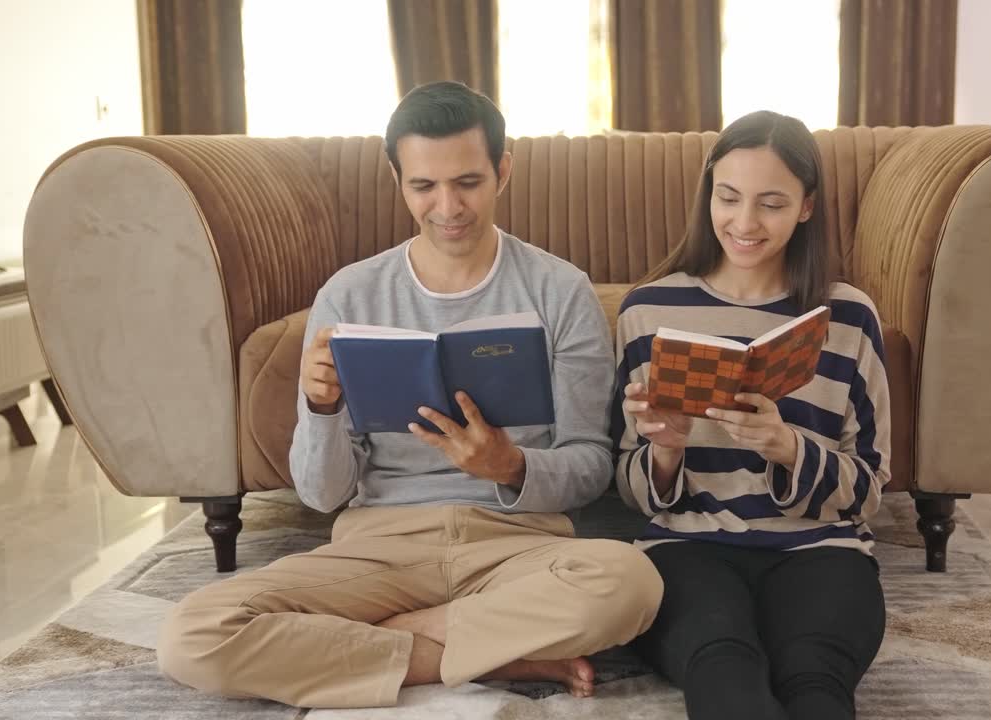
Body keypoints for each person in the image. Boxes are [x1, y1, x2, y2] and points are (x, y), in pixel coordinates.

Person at [156, 81, 662, 709]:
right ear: (397, 180)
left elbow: (590, 466)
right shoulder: (349, 295)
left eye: (468, 182)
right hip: (380, 549)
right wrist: (321, 410)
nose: (448, 207)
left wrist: (510, 467)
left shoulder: (561, 291)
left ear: (503, 171)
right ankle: (494, 653)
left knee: (631, 584)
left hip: (519, 546)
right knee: (193, 634)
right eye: (424, 186)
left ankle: (386, 641)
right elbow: (321, 495)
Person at [611, 110, 889, 720]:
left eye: (771, 204)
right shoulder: (647, 312)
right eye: (728, 197)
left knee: (815, 682)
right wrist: (666, 449)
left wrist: (788, 447)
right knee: (723, 671)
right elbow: (631, 492)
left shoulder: (848, 317)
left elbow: (868, 490)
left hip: (821, 549)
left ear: (807, 206)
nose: (743, 223)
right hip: (685, 547)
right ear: (708, 194)